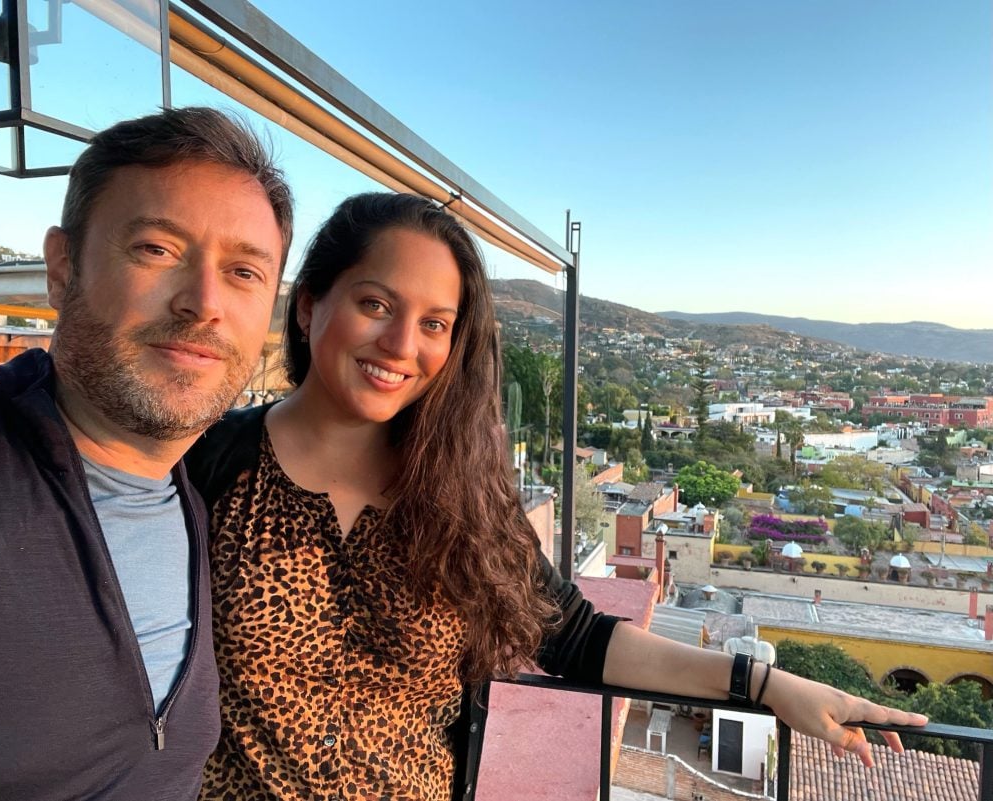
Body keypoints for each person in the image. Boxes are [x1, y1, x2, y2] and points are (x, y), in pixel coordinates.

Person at [185, 193, 926, 801]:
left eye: (436, 323)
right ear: (311, 305)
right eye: (376, 303)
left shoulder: (459, 492)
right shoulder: (206, 465)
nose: (402, 343)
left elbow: (570, 635)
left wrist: (764, 682)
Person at [0, 106, 293, 800]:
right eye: (156, 249)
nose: (204, 303)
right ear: (62, 268)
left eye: (243, 271)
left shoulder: (199, 492)